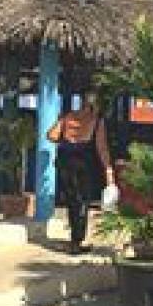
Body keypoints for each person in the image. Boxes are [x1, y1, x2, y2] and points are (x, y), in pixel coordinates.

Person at [47, 90, 115, 254]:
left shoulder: (68, 117)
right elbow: (102, 148)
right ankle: (76, 240)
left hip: (65, 163)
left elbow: (51, 135)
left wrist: (68, 135)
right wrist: (109, 173)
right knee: (82, 202)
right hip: (84, 165)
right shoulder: (96, 122)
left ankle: (74, 238)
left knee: (72, 201)